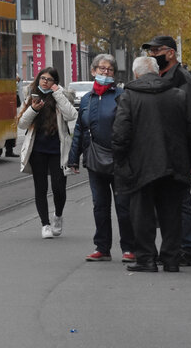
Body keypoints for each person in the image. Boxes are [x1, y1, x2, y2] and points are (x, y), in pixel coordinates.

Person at [113, 55, 191, 272]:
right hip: (174, 164)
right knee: (172, 213)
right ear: (156, 71)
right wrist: (187, 160)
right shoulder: (178, 95)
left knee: (141, 214)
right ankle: (171, 259)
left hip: (141, 166)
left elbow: (120, 133)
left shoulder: (130, 96)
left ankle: (146, 259)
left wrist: (121, 162)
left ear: (136, 74)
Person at [141, 35, 191, 266]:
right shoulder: (163, 76)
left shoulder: (181, 78)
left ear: (171, 53)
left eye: (157, 51)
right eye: (151, 52)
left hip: (178, 150)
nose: (153, 55)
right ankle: (175, 249)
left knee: (182, 201)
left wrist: (188, 154)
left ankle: (188, 249)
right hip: (164, 148)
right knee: (168, 202)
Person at [67, 54, 135, 262]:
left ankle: (129, 248)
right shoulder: (87, 99)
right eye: (102, 69)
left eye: (110, 70)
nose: (105, 73)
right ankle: (102, 247)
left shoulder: (122, 95)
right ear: (93, 71)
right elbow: (80, 129)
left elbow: (129, 127)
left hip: (119, 159)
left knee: (123, 206)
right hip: (95, 159)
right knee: (100, 206)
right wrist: (73, 158)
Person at [18, 66, 77, 239]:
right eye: (42, 78)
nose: (45, 81)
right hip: (37, 150)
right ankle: (45, 224)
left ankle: (58, 215)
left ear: (55, 83)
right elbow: (22, 124)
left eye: (49, 79)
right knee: (41, 187)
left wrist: (57, 94)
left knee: (59, 188)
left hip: (57, 150)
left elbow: (71, 115)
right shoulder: (32, 97)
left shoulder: (62, 97)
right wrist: (34, 109)